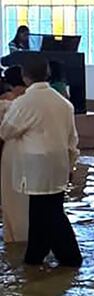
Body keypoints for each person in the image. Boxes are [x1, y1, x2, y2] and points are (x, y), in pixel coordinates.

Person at [0, 53, 81, 266]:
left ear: (25, 77)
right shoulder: (64, 103)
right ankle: (36, 256)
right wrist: (72, 163)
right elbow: (72, 140)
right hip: (59, 164)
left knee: (48, 213)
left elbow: (7, 131)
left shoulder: (24, 102)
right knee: (46, 210)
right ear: (48, 74)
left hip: (35, 166)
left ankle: (70, 257)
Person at [0, 66, 30, 243]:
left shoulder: (8, 104)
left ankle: (15, 237)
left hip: (9, 156)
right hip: (27, 158)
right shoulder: (25, 103)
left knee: (12, 201)